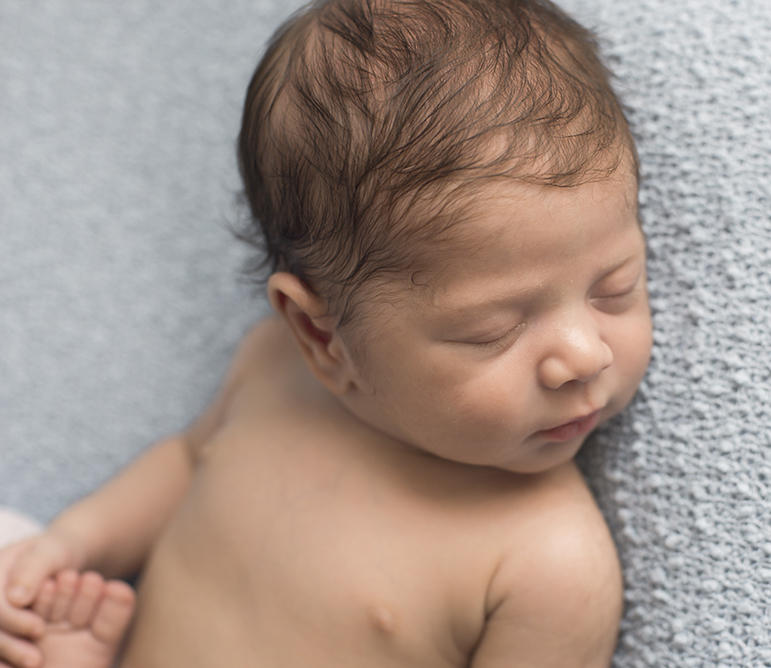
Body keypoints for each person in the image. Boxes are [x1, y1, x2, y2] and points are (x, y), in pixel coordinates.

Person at [0, 0, 652, 665]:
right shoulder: (273, 371)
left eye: (615, 288)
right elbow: (189, 460)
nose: (583, 354)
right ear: (321, 336)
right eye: (492, 330)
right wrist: (69, 547)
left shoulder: (547, 566)